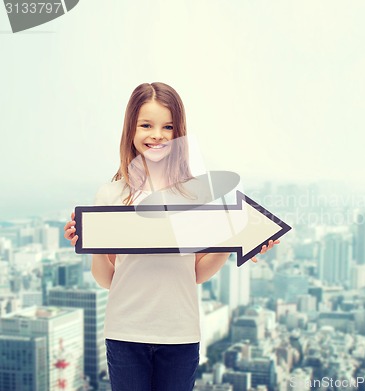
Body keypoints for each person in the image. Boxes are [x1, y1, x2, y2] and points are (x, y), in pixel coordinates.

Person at [63, 82, 279, 391]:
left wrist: (232, 242)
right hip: (125, 333)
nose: (157, 134)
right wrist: (92, 242)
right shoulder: (111, 193)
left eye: (168, 126)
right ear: (131, 130)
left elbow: (195, 273)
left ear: (179, 134)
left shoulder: (195, 194)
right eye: (146, 125)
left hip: (180, 334)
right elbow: (107, 279)